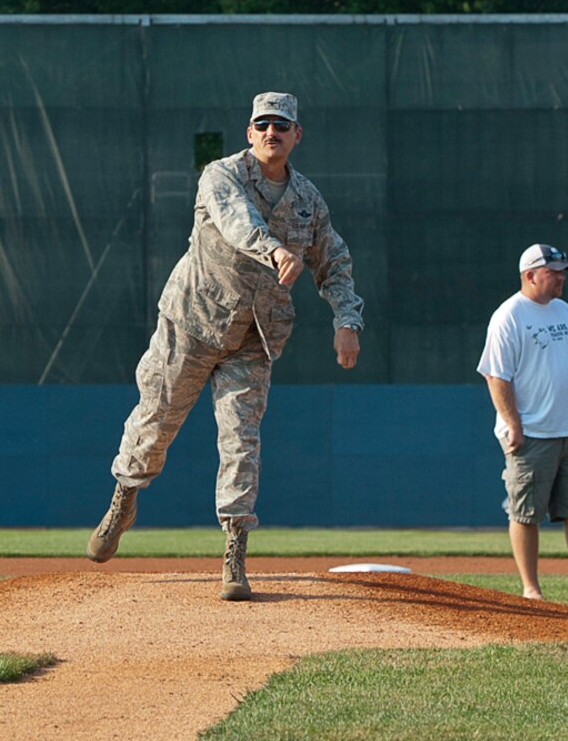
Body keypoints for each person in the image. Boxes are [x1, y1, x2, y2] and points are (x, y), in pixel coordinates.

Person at [87, 92, 364, 600]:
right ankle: (124, 498)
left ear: (297, 135)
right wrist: (275, 248)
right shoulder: (222, 175)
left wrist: (347, 319)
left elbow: (335, 262)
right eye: (263, 124)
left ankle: (234, 549)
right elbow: (239, 223)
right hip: (191, 324)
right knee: (153, 426)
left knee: (241, 441)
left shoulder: (307, 200)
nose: (271, 132)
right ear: (249, 132)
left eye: (282, 125)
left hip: (253, 338)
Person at [479, 244, 568, 602]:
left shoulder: (565, 312)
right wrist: (513, 423)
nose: (561, 277)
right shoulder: (509, 315)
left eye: (562, 271)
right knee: (525, 513)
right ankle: (531, 588)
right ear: (530, 275)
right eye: (553, 272)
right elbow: (496, 377)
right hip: (532, 434)